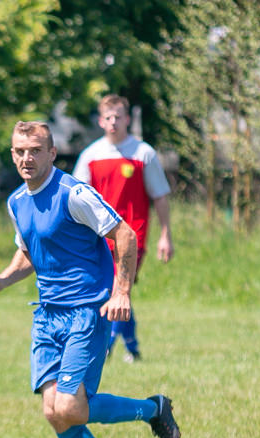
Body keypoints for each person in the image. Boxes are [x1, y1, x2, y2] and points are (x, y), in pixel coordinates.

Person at [0, 121, 181, 438]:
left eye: (35, 150)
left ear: (52, 153)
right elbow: (29, 251)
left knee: (71, 407)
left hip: (87, 311)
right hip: (47, 316)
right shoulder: (17, 201)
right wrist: (3, 280)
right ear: (12, 154)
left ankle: (153, 409)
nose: (27, 157)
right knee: (54, 413)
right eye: (20, 151)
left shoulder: (73, 192)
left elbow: (124, 234)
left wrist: (121, 291)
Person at [73, 95, 173, 363]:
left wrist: (166, 234)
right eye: (108, 117)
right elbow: (77, 198)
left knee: (118, 287)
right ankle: (133, 347)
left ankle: (106, 347)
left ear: (128, 119)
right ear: (100, 121)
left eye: (119, 116)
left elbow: (160, 196)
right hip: (99, 238)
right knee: (115, 290)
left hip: (133, 235)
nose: (113, 122)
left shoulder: (143, 153)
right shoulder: (91, 156)